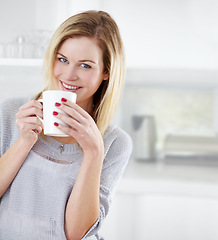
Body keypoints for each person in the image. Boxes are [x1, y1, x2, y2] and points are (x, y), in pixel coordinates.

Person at [0, 10, 132, 240]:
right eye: (63, 60)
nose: (69, 75)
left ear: (106, 72)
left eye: (86, 66)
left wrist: (94, 152)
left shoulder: (114, 143)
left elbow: (75, 234)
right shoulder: (13, 112)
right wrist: (24, 142)